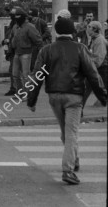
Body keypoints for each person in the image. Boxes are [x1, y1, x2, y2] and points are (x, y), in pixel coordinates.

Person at [28, 17, 107, 185]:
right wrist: (102, 97)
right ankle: (68, 170)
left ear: (56, 31)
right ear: (72, 31)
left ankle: (74, 159)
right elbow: (93, 74)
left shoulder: (46, 50)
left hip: (54, 96)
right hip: (74, 96)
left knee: (65, 131)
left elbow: (37, 76)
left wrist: (31, 100)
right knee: (72, 132)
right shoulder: (80, 48)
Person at [6, 7, 42, 98]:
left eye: (16, 16)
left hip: (26, 53)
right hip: (17, 53)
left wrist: (38, 51)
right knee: (15, 75)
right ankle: (20, 93)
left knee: (25, 75)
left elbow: (38, 40)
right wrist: (10, 51)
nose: (15, 18)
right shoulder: (16, 26)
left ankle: (26, 94)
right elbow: (12, 39)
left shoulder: (29, 27)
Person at [82, 21, 107, 112]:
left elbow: (98, 59)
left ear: (94, 29)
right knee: (85, 90)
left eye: (89, 26)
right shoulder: (94, 39)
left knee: (86, 90)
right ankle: (77, 112)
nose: (87, 28)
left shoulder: (99, 40)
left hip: (102, 70)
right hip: (98, 69)